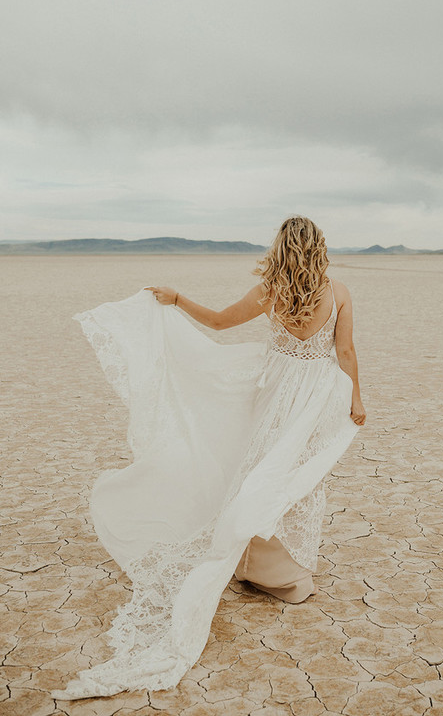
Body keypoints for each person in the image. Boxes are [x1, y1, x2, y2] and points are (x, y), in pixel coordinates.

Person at [52, 216, 365, 700]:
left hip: (276, 391)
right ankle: (275, 571)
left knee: (260, 477)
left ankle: (263, 566)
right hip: (316, 394)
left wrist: (178, 300)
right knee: (285, 480)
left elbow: (219, 323)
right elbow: (344, 350)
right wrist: (356, 400)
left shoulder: (270, 291)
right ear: (319, 247)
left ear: (282, 247)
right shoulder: (338, 290)